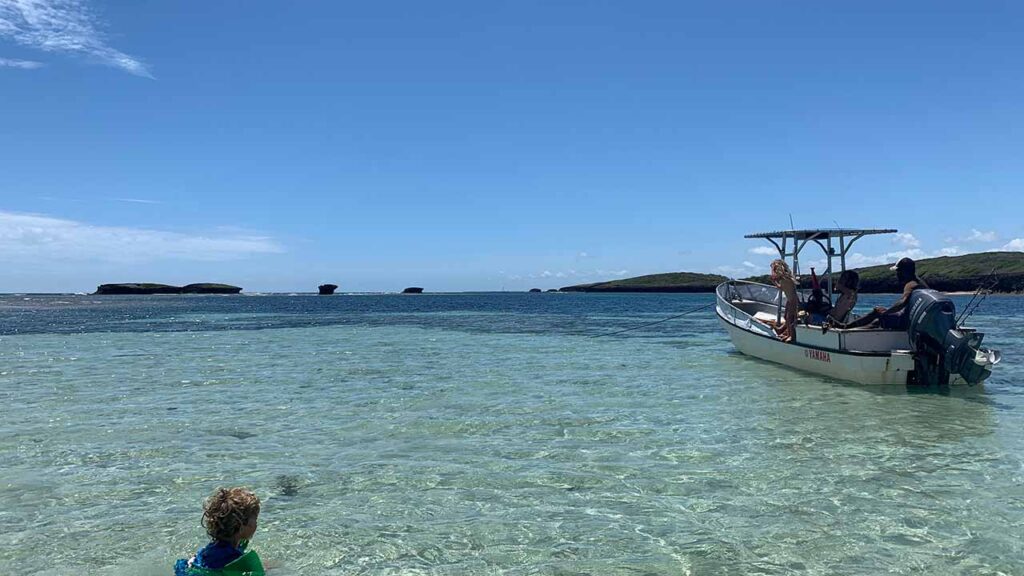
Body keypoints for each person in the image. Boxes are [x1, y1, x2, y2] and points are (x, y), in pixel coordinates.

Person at [174, 487, 265, 576]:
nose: (256, 524)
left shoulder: (209, 549)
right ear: (241, 527)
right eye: (255, 519)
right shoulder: (238, 560)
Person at [844, 257, 929, 330]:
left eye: (898, 271)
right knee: (878, 320)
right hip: (914, 321)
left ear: (903, 272)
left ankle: (847, 328)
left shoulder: (911, 284)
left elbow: (902, 302)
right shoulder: (921, 282)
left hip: (905, 321)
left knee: (877, 312)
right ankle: (853, 329)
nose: (897, 275)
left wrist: (886, 312)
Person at [769, 259, 799, 342]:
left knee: (790, 318)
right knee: (786, 316)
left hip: (792, 300)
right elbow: (782, 288)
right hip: (790, 299)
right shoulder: (785, 278)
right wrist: (774, 281)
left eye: (774, 270)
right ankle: (787, 333)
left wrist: (774, 281)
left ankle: (791, 336)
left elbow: (781, 287)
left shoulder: (785, 278)